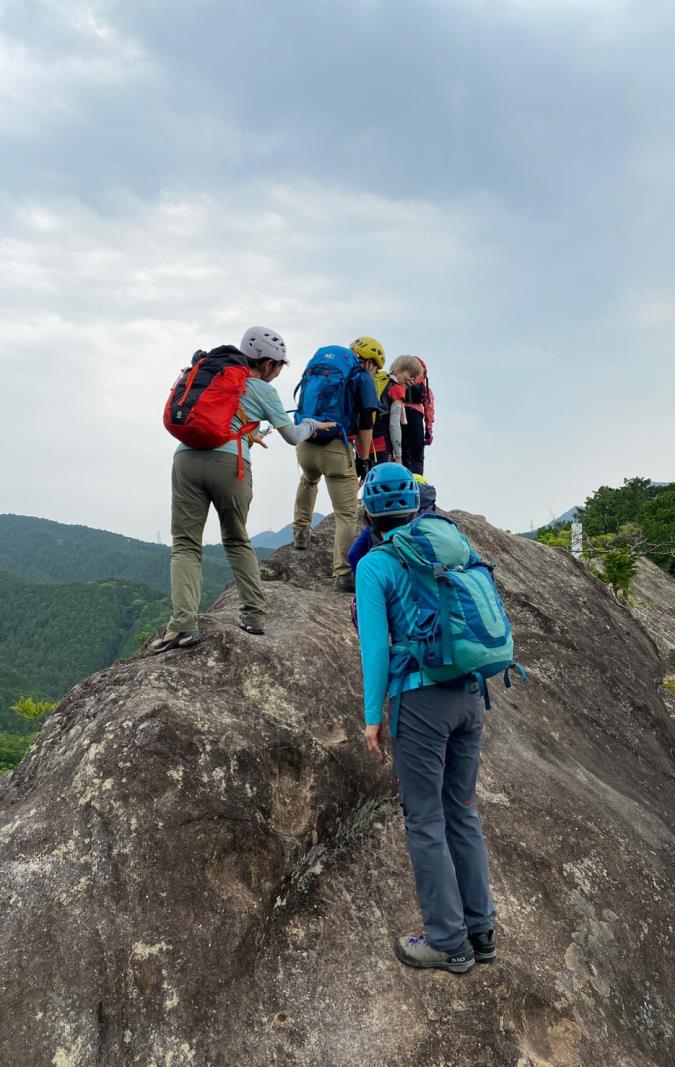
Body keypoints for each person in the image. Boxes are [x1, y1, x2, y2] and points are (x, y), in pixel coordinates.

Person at [355, 464, 499, 974]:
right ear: (416, 506)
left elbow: (375, 648)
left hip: (421, 703)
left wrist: (372, 717)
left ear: (369, 512)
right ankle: (481, 933)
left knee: (424, 820)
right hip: (469, 694)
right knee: (462, 810)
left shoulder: (375, 564)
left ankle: (448, 943)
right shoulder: (451, 545)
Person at [152, 327, 332, 653]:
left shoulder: (210, 375)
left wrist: (251, 434)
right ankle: (253, 616)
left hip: (186, 459)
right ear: (267, 363)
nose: (278, 372)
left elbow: (219, 418)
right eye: (279, 366)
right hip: (228, 464)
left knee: (185, 544)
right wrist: (311, 425)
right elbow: (292, 436)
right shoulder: (263, 390)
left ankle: (182, 626)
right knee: (236, 539)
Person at [292, 336, 381, 593]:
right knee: (346, 513)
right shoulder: (361, 377)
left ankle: (300, 533)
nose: (375, 373)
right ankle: (342, 573)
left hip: (306, 442)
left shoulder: (320, 368)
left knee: (308, 480)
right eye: (376, 368)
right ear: (370, 362)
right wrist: (363, 459)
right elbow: (366, 424)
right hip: (335, 448)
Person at [372, 356, 423, 465]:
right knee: (384, 474)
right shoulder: (397, 389)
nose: (413, 381)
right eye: (411, 376)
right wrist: (398, 455)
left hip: (366, 439)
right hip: (382, 444)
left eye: (415, 378)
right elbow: (394, 423)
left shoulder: (379, 380)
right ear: (398, 370)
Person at [401, 357, 435, 476]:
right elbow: (429, 407)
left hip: (400, 415)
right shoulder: (424, 387)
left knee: (402, 452)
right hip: (416, 417)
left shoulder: (400, 381)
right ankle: (418, 480)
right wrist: (429, 429)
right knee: (417, 455)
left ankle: (401, 478)